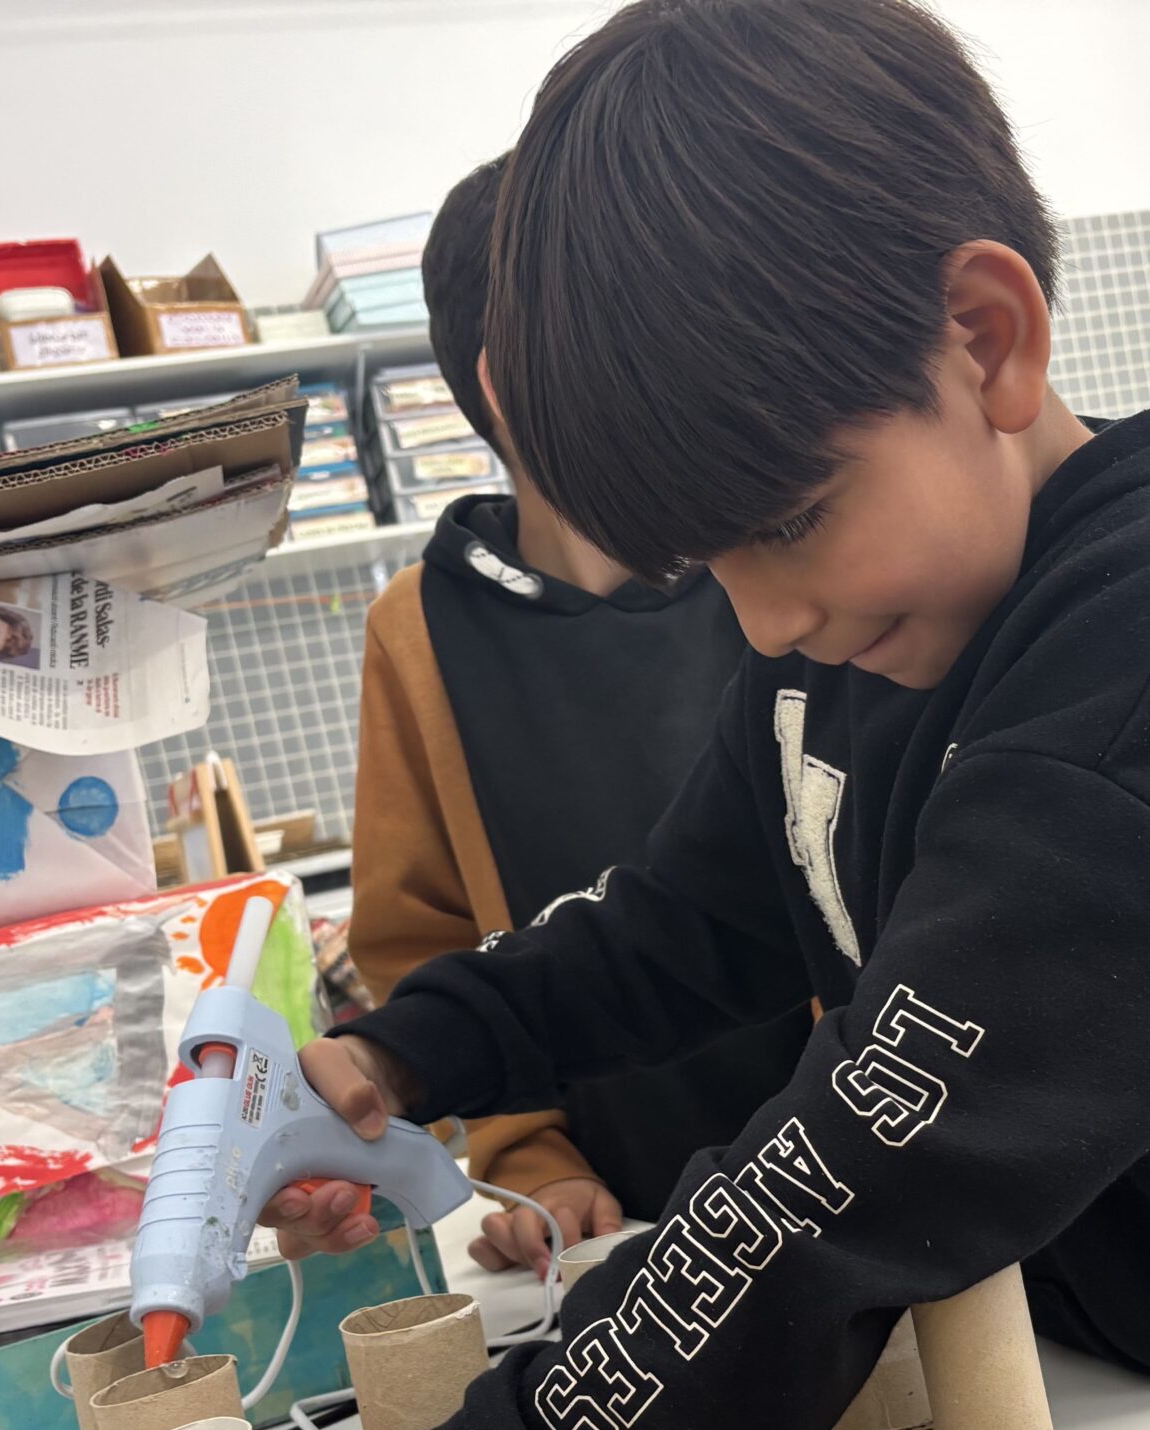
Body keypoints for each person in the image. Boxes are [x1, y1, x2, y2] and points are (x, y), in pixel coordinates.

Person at [116, 0, 1150, 1430]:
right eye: (707, 566)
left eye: (788, 522)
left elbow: (875, 1147)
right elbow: (674, 924)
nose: (765, 618)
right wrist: (400, 1057)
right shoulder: (846, 645)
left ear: (985, 338)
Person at [343, 154, 812, 1276]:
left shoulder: (782, 570)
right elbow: (419, 943)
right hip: (625, 1233)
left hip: (866, 1170)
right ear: (516, 383)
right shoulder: (421, 627)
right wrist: (532, 1156)